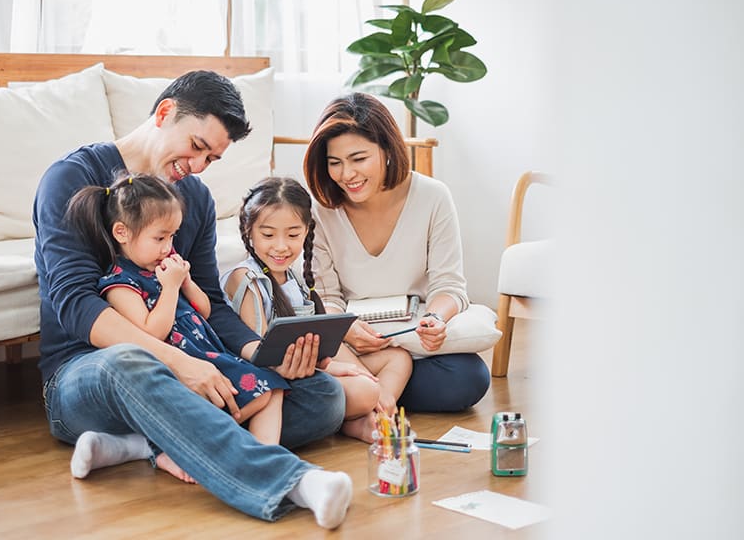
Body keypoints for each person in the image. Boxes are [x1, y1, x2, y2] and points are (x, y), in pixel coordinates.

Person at [33, 70, 351, 528]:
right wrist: (179, 363)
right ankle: (296, 483)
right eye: (197, 146)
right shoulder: (70, 178)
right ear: (165, 113)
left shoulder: (194, 199)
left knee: (322, 396)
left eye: (212, 158)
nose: (199, 165)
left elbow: (213, 305)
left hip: (185, 359)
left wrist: (261, 356)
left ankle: (144, 444)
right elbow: (76, 304)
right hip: (87, 375)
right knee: (130, 363)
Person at [66, 173, 289, 480]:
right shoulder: (120, 283)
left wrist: (186, 281)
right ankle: (175, 447)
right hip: (173, 368)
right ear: (122, 232)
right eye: (160, 238)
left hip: (208, 355)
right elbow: (151, 332)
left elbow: (204, 310)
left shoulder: (166, 267)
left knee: (271, 389)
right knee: (256, 393)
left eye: (172, 237)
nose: (168, 247)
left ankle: (266, 457)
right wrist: (169, 288)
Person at [302, 92, 491, 413]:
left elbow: (449, 287)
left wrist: (435, 318)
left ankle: (363, 395)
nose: (346, 175)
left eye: (358, 159)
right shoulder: (320, 211)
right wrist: (345, 328)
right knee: (316, 360)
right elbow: (325, 297)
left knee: (468, 378)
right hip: (355, 344)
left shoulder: (433, 197)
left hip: (412, 338)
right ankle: (373, 390)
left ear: (387, 150)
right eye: (335, 163)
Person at [221, 177, 412, 442]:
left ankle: (376, 413)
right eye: (267, 235)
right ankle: (364, 413)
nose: (280, 246)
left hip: (310, 367)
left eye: (292, 234)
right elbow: (262, 357)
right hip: (278, 378)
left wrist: (337, 366)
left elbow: (317, 342)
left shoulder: (295, 279)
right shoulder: (245, 278)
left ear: (306, 231)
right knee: (364, 390)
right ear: (249, 230)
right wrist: (333, 370)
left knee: (398, 359)